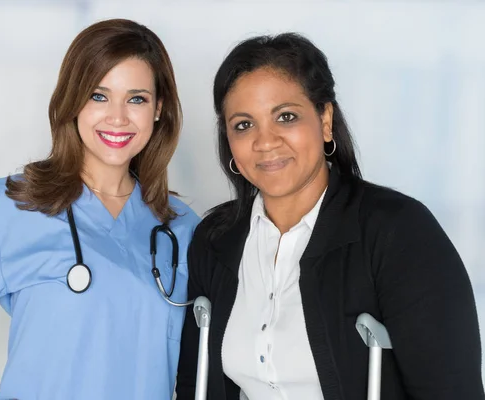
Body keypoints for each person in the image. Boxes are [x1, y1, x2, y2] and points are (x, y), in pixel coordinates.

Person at [0, 18, 199, 400]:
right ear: (73, 103)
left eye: (136, 98)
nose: (118, 117)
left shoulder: (183, 228)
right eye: (98, 96)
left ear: (159, 109)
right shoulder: (14, 208)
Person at [176, 33, 483, 400]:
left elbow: (451, 391)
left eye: (286, 117)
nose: (265, 141)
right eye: (243, 125)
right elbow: (195, 383)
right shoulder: (215, 239)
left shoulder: (398, 231)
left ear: (325, 120)